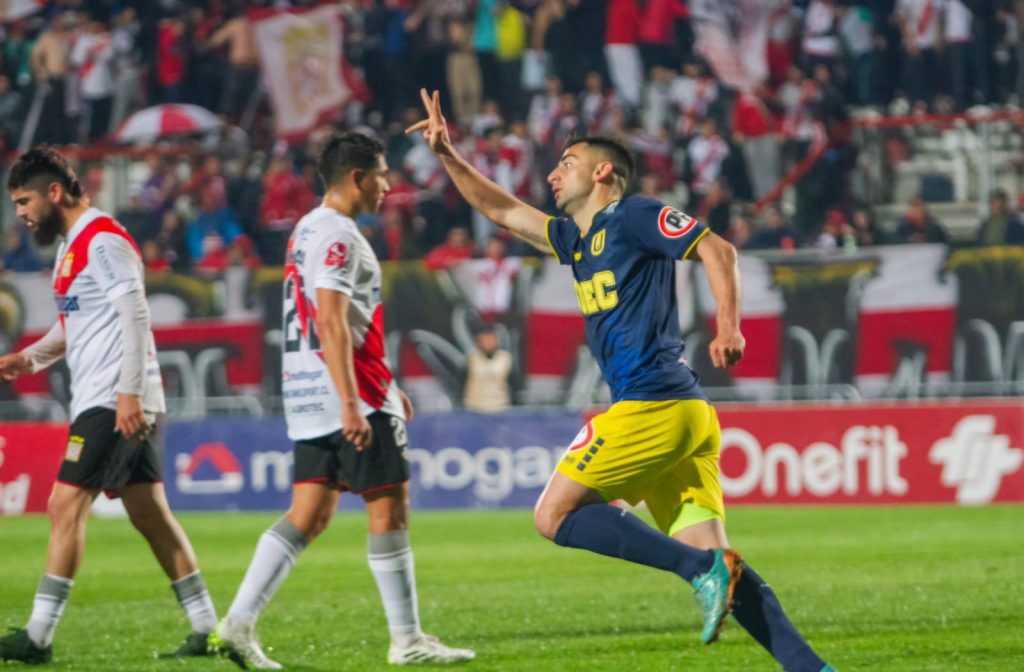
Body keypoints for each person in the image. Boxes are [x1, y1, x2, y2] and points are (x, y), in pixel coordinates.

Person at [409, 89, 837, 672]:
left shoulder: (633, 215)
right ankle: (811, 668)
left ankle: (700, 572)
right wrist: (449, 156)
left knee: (553, 516)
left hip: (653, 406)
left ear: (602, 171)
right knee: (725, 565)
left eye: (567, 163)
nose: (555, 174)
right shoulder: (574, 238)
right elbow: (503, 210)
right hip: (682, 414)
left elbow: (719, 250)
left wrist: (728, 327)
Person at [209, 133, 474, 669]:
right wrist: (353, 402)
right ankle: (407, 640)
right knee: (390, 506)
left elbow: (337, 321)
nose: (388, 185)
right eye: (380, 174)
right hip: (348, 396)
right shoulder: (340, 236)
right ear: (356, 178)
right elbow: (329, 317)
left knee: (308, 512)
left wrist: (381, 382)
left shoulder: (306, 229)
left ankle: (236, 624)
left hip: (310, 393)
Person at [0, 148, 218, 664]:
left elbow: (134, 311)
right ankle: (208, 626)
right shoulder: (71, 247)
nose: (21, 213)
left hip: (114, 399)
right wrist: (27, 360)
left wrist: (127, 393)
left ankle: (38, 636)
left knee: (63, 505)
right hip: (112, 396)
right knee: (149, 513)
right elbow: (73, 326)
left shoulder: (102, 238)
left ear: (55, 192)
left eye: (24, 200)